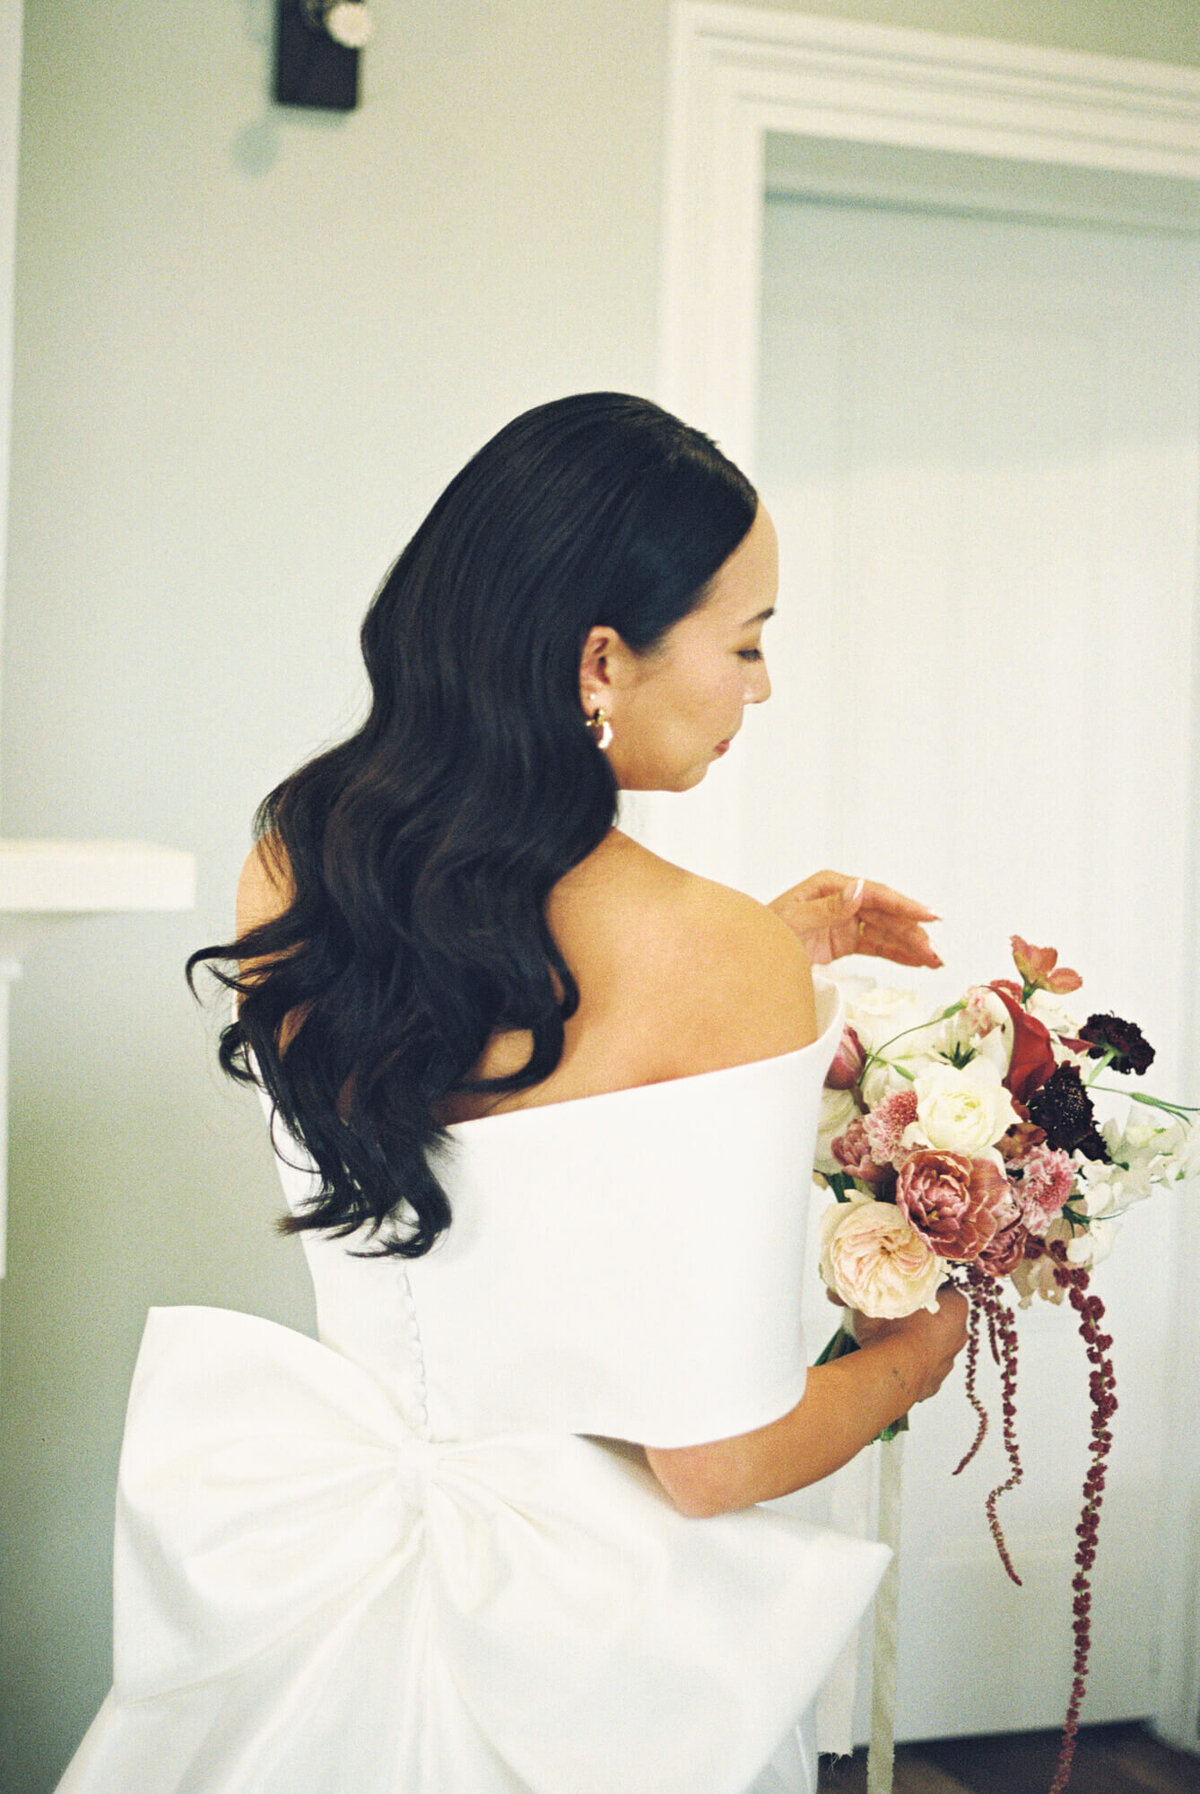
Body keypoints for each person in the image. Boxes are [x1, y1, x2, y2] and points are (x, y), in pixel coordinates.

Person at [55, 394, 967, 1794]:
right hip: (594, 1653)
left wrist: (758, 954)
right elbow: (712, 1463)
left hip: (323, 1590)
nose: (762, 687)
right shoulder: (712, 959)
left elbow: (489, 1066)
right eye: (746, 642)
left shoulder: (294, 862)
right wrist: (916, 1350)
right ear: (603, 660)